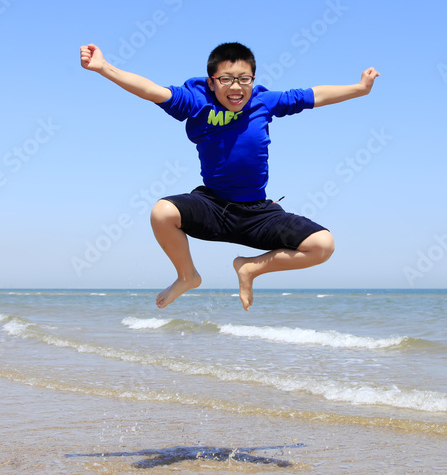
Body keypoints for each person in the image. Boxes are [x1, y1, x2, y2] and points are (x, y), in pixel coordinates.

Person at [79, 41, 378, 310]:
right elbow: (152, 90)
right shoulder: (196, 102)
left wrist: (360, 88)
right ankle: (187, 276)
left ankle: (250, 268)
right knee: (162, 212)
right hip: (213, 207)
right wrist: (104, 67)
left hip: (258, 213)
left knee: (323, 245)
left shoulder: (264, 102)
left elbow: (314, 95)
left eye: (244, 79)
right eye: (226, 79)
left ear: (253, 80)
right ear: (212, 82)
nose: (236, 87)